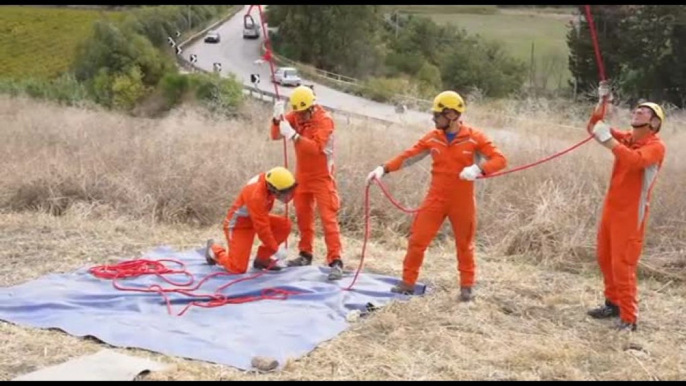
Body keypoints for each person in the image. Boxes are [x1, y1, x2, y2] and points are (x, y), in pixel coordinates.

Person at [365, 91, 508, 301]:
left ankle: (466, 287)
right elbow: (408, 156)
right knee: (417, 240)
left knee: (464, 244)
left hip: (463, 201)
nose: (433, 118)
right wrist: (383, 169)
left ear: (451, 115)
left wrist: (479, 169)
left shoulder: (474, 138)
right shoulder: (433, 138)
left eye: (437, 114)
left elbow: (500, 159)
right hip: (435, 199)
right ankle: (407, 283)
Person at [586, 81, 667, 332]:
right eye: (637, 109)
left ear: (654, 123)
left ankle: (629, 318)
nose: (637, 111)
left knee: (623, 263)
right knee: (605, 258)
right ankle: (613, 304)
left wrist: (608, 141)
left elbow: (633, 162)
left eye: (645, 111)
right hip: (612, 209)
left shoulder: (655, 146)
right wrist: (603, 103)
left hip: (631, 216)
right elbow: (593, 127)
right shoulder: (628, 138)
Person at [271, 86, 344, 281]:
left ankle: (336, 261)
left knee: (328, 220)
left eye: (302, 113)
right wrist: (277, 119)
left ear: (311, 107)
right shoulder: (296, 114)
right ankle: (305, 254)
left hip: (322, 177)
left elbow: (316, 148)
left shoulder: (325, 121)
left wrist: (294, 135)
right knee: (303, 216)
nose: (299, 117)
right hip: (302, 176)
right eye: (297, 113)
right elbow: (276, 135)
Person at [204, 166, 297, 274]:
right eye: (284, 192)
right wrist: (275, 250)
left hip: (255, 218)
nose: (287, 195)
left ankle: (262, 259)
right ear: (272, 188)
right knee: (237, 268)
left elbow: (261, 220)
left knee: (284, 225)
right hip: (239, 225)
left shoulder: (273, 180)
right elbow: (262, 228)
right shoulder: (256, 195)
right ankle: (215, 250)